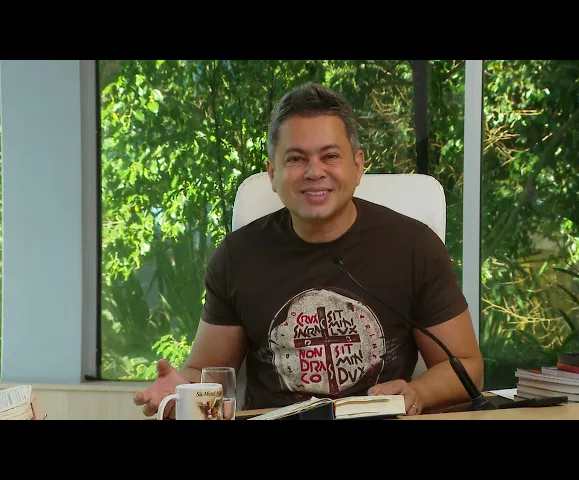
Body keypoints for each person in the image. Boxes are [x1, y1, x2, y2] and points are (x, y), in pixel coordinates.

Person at [134, 82, 483, 418]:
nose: (315, 172)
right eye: (296, 159)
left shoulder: (414, 247)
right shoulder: (237, 257)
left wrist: (417, 393)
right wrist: (182, 391)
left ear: (358, 165)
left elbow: (468, 368)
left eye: (330, 156)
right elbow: (207, 374)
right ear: (273, 173)